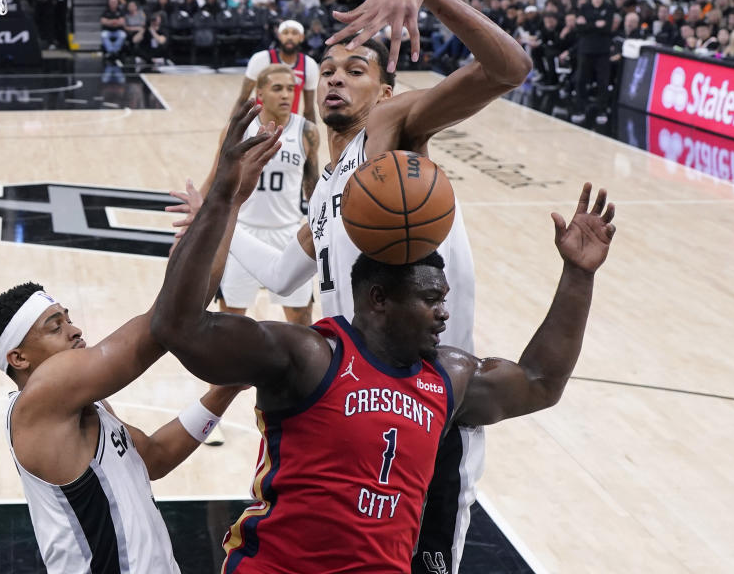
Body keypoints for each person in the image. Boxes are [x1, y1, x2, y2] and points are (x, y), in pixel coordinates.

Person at [151, 100, 616, 572]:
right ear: (378, 299)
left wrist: (579, 276)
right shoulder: (309, 356)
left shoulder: (448, 378)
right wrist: (224, 200)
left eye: (443, 298)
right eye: (430, 300)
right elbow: (179, 326)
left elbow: (539, 382)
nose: (443, 313)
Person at [198, 0, 531, 574]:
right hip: (352, 407)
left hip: (429, 402)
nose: (335, 81)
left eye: (356, 71)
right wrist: (220, 211)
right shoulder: (328, 187)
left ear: (386, 90)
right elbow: (281, 275)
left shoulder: (390, 132)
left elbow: (509, 69)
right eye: (327, 71)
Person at [0, 111, 286, 573]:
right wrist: (221, 199)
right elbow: (166, 323)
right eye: (55, 326)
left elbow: (155, 458)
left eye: (69, 319)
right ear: (18, 357)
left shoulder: (86, 407)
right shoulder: (42, 396)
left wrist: (225, 389)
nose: (76, 330)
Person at [199, 64, 321, 326]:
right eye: (278, 88)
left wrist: (320, 228)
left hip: (289, 233)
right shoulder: (238, 130)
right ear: (261, 94)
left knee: (301, 317)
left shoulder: (307, 131)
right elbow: (214, 178)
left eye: (291, 88)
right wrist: (197, 214)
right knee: (231, 315)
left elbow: (312, 186)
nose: (286, 95)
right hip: (242, 232)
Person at [235, 19, 319, 123]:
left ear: (301, 37)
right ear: (279, 36)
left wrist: (312, 135)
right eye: (285, 33)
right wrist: (231, 131)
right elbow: (243, 100)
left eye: (294, 33)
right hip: (259, 124)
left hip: (288, 126)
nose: (289, 37)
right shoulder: (260, 59)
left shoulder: (309, 65)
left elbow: (309, 109)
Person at [571, 0, 616, 124]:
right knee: (581, 80)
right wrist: (596, 24)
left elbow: (607, 28)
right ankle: (580, 109)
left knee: (603, 81)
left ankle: (601, 110)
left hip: (603, 50)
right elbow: (579, 28)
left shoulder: (609, 7)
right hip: (585, 49)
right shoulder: (584, 7)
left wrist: (588, 25)